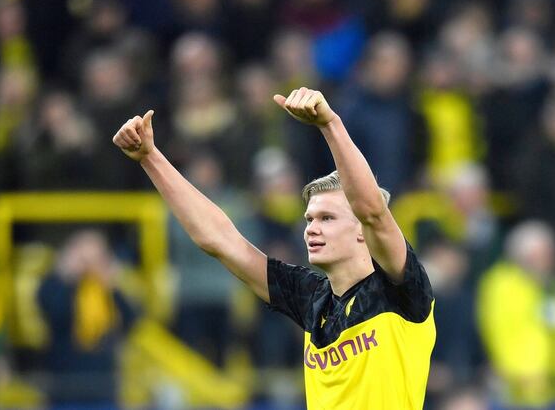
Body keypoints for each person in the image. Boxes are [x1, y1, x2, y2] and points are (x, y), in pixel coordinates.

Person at [112, 87, 435, 409]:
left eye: (327, 218)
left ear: (362, 231)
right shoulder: (313, 299)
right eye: (309, 219)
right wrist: (150, 158)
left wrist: (329, 124)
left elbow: (372, 211)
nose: (312, 228)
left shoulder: (399, 289)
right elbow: (221, 241)